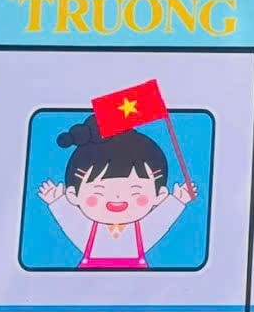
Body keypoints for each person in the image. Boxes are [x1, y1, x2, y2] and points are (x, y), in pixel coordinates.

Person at [37, 115, 196, 269]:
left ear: (159, 196)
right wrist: (58, 202)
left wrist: (176, 202)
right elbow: (71, 223)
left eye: (135, 192)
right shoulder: (87, 232)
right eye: (99, 192)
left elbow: (159, 223)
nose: (118, 196)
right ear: (73, 195)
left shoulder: (141, 232)